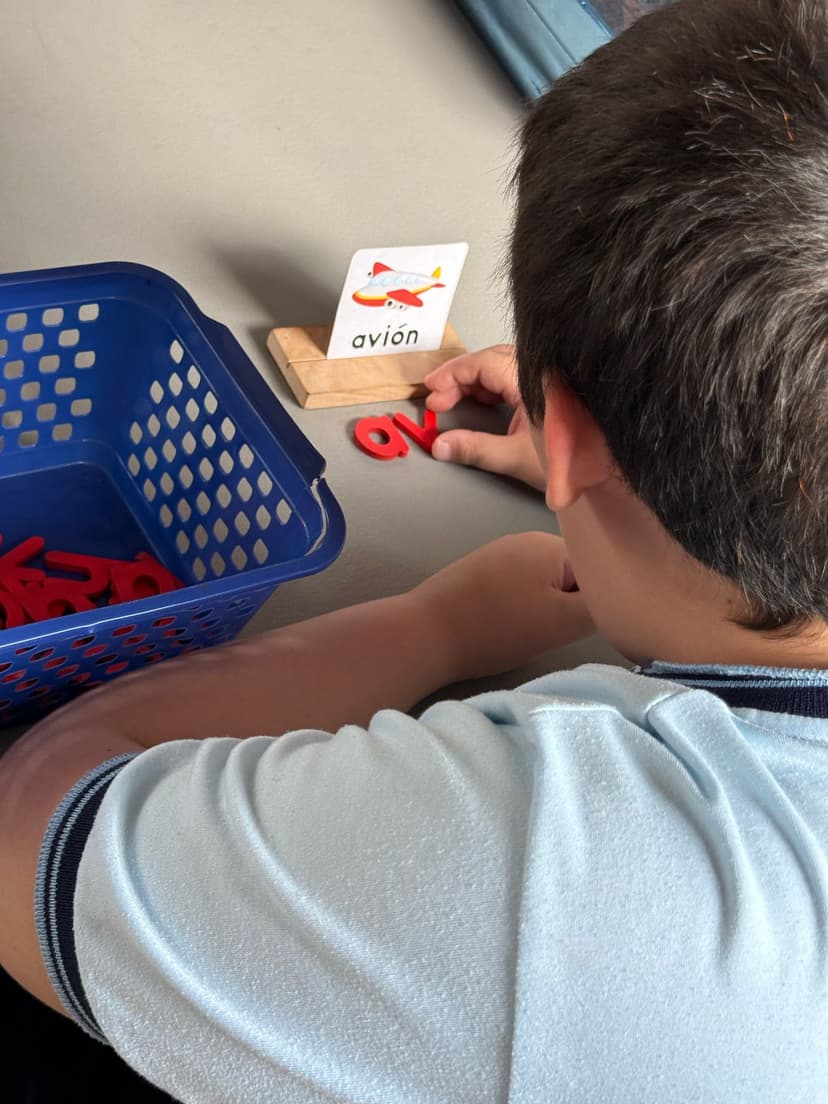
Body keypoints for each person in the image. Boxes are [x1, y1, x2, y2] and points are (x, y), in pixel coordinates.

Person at [3, 0, 828, 1098]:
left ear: (566, 433)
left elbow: (29, 842)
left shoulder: (566, 868)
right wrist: (655, 488)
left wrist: (438, 623)